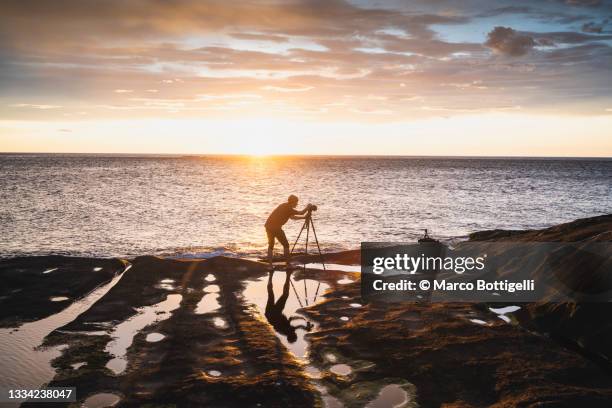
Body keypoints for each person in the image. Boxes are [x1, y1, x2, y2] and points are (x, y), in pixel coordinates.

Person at [265, 270, 312, 343]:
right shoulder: (286, 332)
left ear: (292, 335)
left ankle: (287, 274)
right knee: (271, 294)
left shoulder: (287, 330)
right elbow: (295, 323)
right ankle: (272, 274)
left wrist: (304, 321)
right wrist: (303, 320)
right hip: (270, 313)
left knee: (282, 295)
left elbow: (296, 326)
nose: (295, 333)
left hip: (274, 312)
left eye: (295, 334)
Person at [265, 195, 312, 267]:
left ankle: (270, 265)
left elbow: (292, 217)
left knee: (271, 245)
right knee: (286, 245)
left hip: (268, 226)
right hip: (276, 227)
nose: (297, 204)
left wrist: (304, 218)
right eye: (296, 202)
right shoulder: (289, 209)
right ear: (292, 202)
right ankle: (288, 264)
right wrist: (308, 207)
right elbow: (301, 212)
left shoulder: (284, 206)